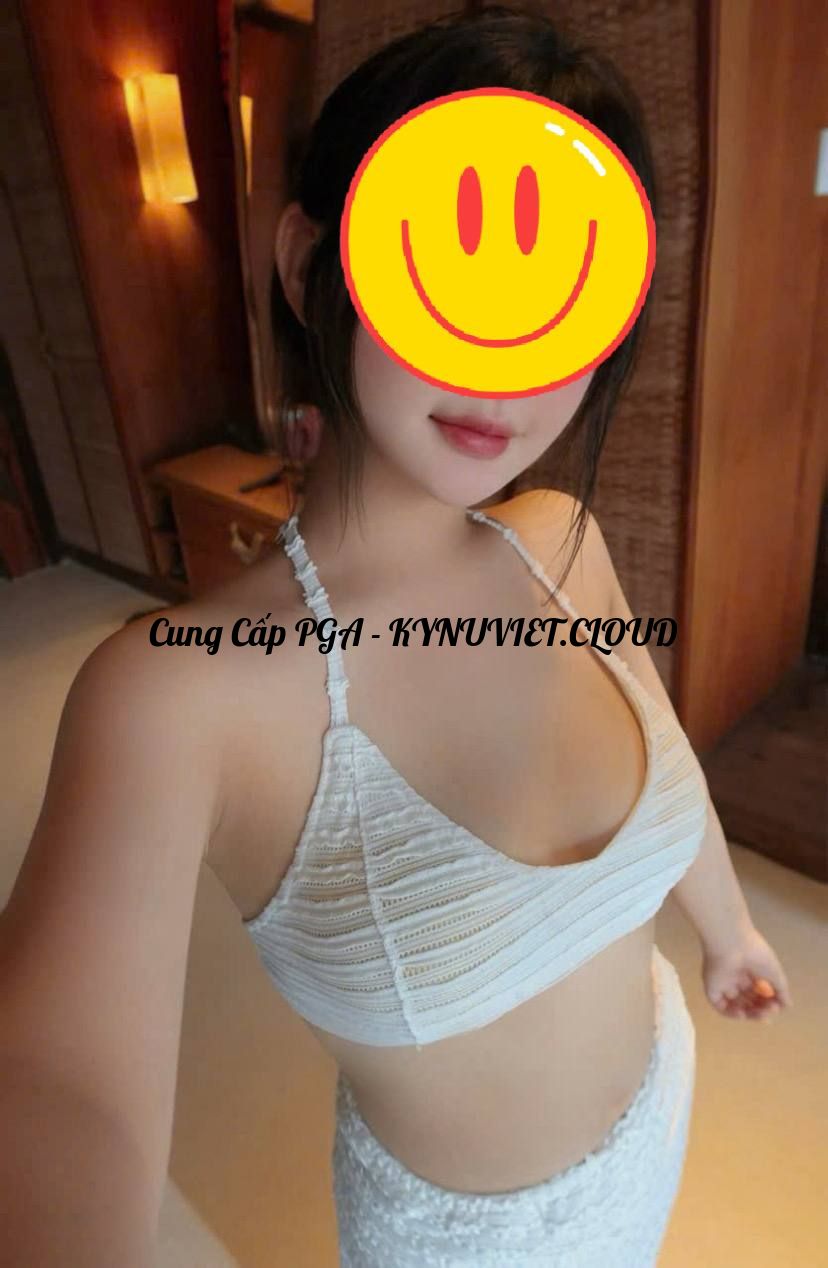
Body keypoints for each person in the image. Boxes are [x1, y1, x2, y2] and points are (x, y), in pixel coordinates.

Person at [0, 6, 792, 1266]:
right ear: (310, 263)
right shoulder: (175, 697)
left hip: (660, 1109)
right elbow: (57, 1099)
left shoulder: (566, 543)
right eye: (455, 273)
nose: (504, 369)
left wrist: (730, 928)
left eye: (561, 302)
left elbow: (670, 761)